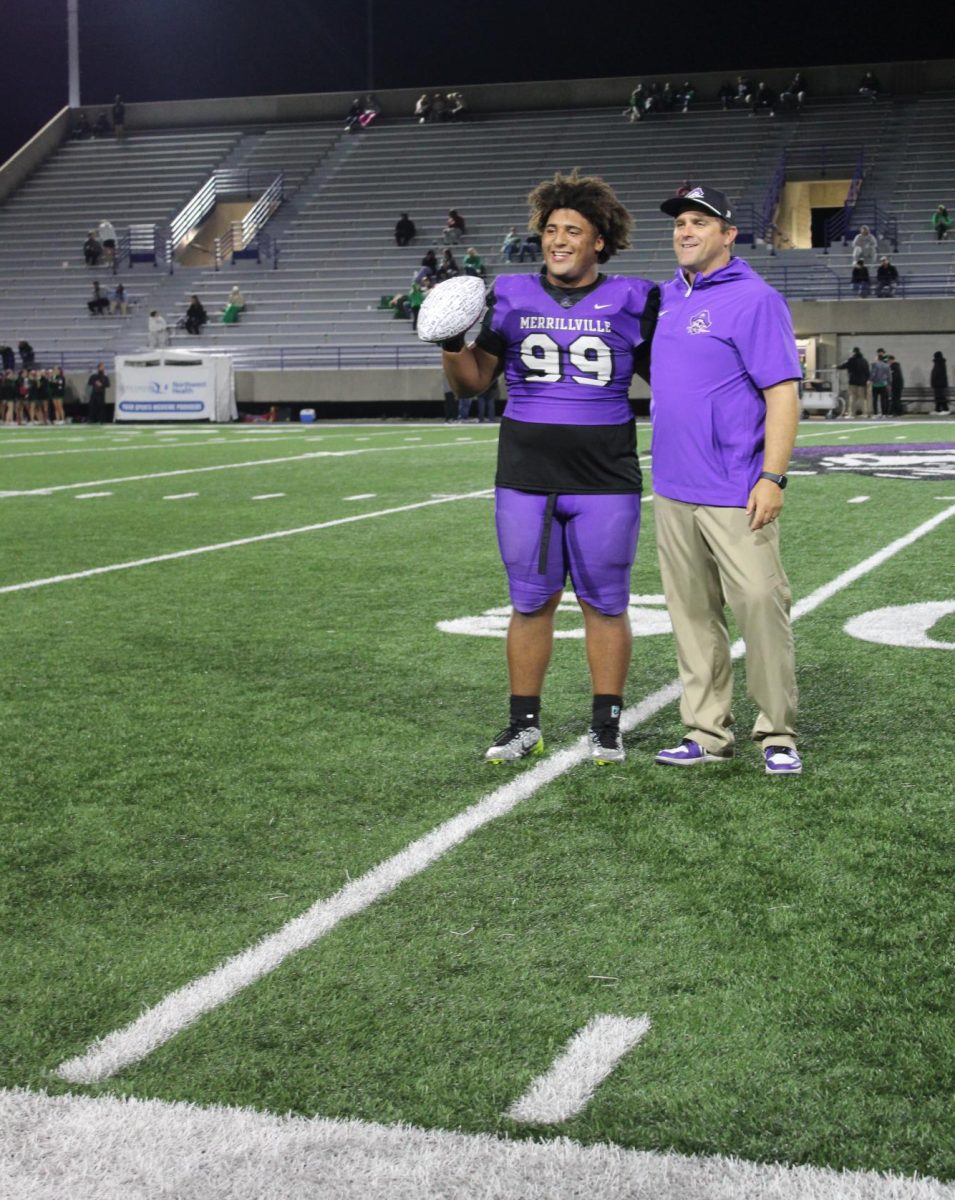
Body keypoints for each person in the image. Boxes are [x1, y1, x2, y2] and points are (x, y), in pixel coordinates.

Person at [439, 170, 658, 766]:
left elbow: (671, 382)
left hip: (605, 476)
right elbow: (471, 386)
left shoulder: (637, 299)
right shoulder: (507, 293)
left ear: (599, 243)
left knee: (606, 602)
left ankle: (606, 726)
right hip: (526, 476)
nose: (559, 239)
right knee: (530, 600)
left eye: (573, 230)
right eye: (551, 229)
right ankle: (523, 725)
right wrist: (449, 342)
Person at [650, 185, 802, 775]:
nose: (685, 231)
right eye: (680, 223)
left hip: (738, 489)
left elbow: (782, 395)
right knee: (691, 616)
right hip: (673, 489)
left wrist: (774, 477)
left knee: (762, 608)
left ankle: (777, 733)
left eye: (698, 222)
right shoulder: (663, 299)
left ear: (728, 234)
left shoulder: (756, 299)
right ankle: (706, 731)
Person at [838, 346, 871, 417]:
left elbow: (843, 366)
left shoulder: (851, 360)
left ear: (854, 352)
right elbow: (867, 372)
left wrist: (836, 366)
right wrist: (867, 380)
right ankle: (864, 413)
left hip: (853, 382)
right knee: (862, 398)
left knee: (852, 398)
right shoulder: (864, 360)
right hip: (862, 382)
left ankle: (852, 414)